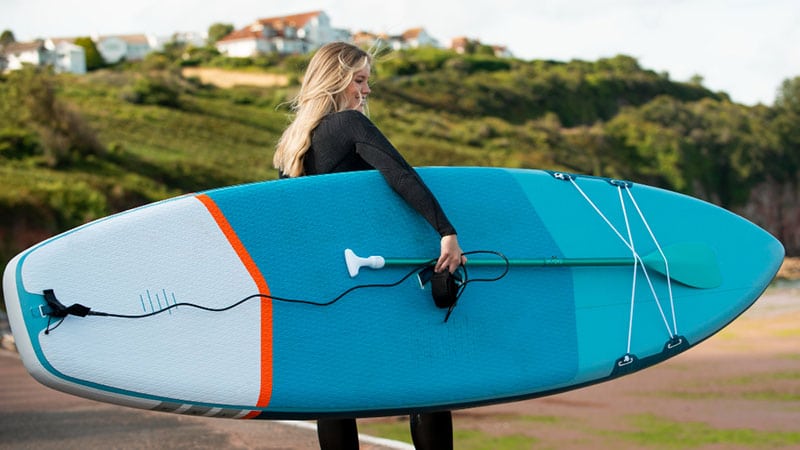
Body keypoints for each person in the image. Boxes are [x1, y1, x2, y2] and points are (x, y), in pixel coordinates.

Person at [273, 41, 464, 450]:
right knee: (425, 381)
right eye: (360, 80)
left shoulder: (294, 145)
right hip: (371, 277)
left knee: (335, 392)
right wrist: (445, 230)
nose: (367, 90)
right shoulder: (348, 125)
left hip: (324, 283)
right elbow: (400, 174)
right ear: (336, 81)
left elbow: (292, 220)